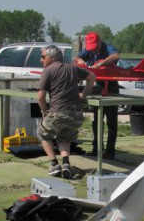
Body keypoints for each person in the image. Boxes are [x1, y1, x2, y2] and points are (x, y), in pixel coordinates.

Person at [37, 45, 96, 179]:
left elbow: (40, 97)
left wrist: (44, 111)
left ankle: (53, 164)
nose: (41, 60)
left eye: (43, 57)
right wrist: (83, 95)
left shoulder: (48, 71)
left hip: (58, 113)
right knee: (64, 136)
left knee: (42, 134)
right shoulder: (73, 68)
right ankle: (66, 164)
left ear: (52, 58)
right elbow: (92, 77)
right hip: (76, 115)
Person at [75, 32, 120, 160]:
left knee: (111, 122)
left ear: (99, 42)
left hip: (111, 87)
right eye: (90, 47)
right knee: (97, 121)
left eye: (94, 46)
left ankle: (110, 152)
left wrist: (100, 64)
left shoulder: (108, 47)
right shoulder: (88, 51)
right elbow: (78, 58)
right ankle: (97, 148)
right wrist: (83, 63)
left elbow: (116, 56)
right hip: (98, 87)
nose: (93, 49)